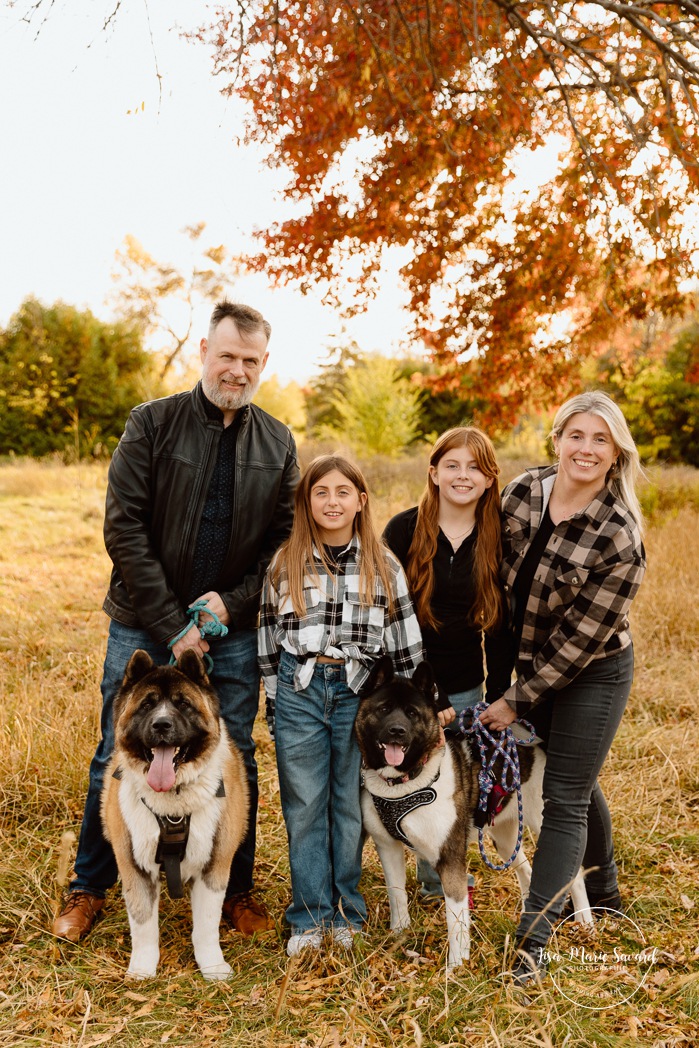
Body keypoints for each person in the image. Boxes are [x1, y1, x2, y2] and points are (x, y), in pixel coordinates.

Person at [53, 300, 300, 942]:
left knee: (234, 752)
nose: (238, 371)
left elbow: (282, 539)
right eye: (227, 356)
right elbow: (123, 526)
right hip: (143, 620)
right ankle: (89, 887)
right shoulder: (152, 424)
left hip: (233, 631)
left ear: (264, 363)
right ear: (203, 352)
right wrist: (173, 624)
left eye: (250, 361)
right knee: (117, 750)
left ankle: (234, 888)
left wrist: (231, 604)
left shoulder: (278, 440)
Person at [478, 391, 646, 985]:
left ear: (616, 453)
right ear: (557, 439)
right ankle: (603, 884)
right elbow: (489, 573)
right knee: (578, 771)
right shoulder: (525, 491)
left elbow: (575, 646)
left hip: (591, 672)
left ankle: (532, 942)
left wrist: (512, 700)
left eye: (601, 439)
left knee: (565, 796)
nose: (586, 448)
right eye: (577, 435)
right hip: (525, 664)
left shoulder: (619, 536)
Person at [258, 455, 424, 957]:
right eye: (321, 493)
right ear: (306, 502)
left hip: (361, 693)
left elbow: (405, 644)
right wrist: (273, 699)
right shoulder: (285, 561)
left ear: (361, 501)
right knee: (305, 804)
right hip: (300, 685)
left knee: (350, 803)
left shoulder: (383, 563)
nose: (332, 502)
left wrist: (408, 710)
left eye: (343, 492)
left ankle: (348, 911)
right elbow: (266, 637)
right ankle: (309, 917)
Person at [383, 426, 513, 899]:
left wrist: (499, 697)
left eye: (475, 467)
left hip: (466, 684)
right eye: (452, 465)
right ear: (434, 473)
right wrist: (425, 697)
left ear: (488, 477)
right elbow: (390, 617)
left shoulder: (499, 534)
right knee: (410, 774)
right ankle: (421, 875)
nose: (463, 475)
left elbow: (500, 627)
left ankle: (446, 879)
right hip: (409, 685)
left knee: (455, 785)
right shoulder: (402, 529)